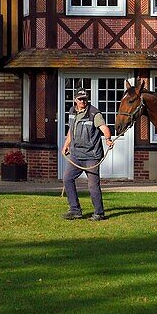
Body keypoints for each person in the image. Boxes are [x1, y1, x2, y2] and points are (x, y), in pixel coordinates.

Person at [62, 89, 114, 221]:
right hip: (76, 155)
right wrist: (66, 145)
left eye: (85, 99)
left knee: (92, 185)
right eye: (80, 99)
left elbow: (104, 128)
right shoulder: (72, 112)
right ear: (75, 100)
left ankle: (99, 213)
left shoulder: (94, 113)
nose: (83, 101)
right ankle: (75, 210)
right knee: (67, 179)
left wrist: (108, 139)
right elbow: (71, 130)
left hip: (92, 155)